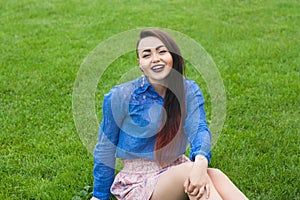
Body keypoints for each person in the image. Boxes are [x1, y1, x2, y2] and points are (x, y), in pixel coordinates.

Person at [91, 29, 248, 200]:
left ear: (172, 56)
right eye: (147, 54)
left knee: (215, 174)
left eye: (162, 51)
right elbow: (105, 148)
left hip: (176, 165)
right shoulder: (121, 96)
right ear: (140, 63)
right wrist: (99, 196)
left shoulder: (188, 90)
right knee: (190, 173)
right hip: (138, 179)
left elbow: (199, 128)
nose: (155, 58)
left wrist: (201, 163)